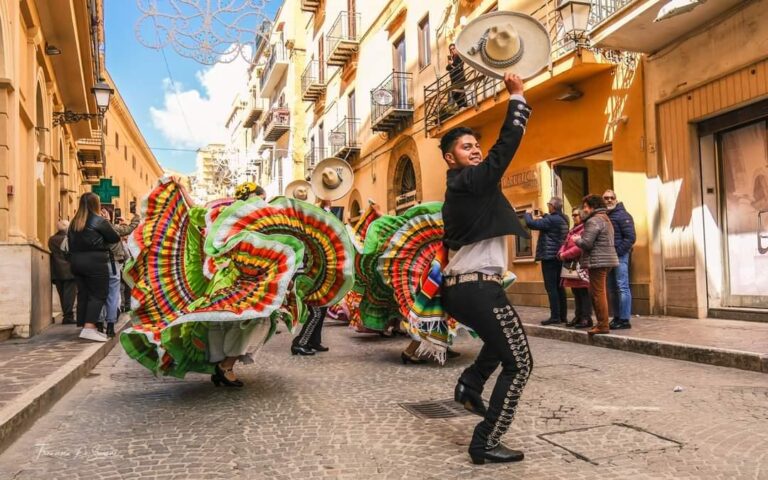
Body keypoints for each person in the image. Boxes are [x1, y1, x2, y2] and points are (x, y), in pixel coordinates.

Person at [441, 73, 532, 464]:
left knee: (500, 346)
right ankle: (486, 441)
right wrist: (517, 99)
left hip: (470, 288)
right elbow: (503, 151)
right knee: (521, 362)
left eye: (476, 145)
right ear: (451, 158)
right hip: (476, 288)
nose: (476, 151)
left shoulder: (469, 187)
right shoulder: (466, 182)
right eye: (466, 147)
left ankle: (470, 384)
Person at [67, 192, 120, 342]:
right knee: (98, 294)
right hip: (95, 262)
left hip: (76, 261)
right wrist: (107, 221)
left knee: (84, 294)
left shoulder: (74, 222)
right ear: (95, 204)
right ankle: (90, 328)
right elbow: (114, 238)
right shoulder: (98, 220)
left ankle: (86, 326)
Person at [573, 195, 619, 336]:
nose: (584, 210)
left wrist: (577, 240)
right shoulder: (605, 218)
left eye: (586, 206)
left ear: (592, 207)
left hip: (598, 261)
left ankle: (602, 325)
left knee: (597, 293)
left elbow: (587, 243)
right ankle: (602, 323)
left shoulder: (593, 221)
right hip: (606, 259)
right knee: (600, 292)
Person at [524, 198, 569, 325]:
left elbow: (531, 224)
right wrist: (544, 215)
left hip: (549, 257)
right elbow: (550, 223)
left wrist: (527, 214)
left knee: (551, 288)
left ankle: (555, 317)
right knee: (560, 287)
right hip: (559, 256)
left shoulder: (551, 220)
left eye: (549, 205)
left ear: (552, 206)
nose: (548, 206)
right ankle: (562, 316)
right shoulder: (564, 218)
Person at [102, 213, 140, 337]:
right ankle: (110, 326)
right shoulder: (110, 227)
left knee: (99, 294)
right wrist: (136, 216)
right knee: (113, 294)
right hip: (112, 263)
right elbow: (128, 229)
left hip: (96, 263)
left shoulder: (89, 226)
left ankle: (97, 324)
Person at [603, 190, 635, 330]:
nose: (609, 200)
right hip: (608, 257)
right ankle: (616, 317)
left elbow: (630, 238)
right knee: (612, 288)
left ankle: (624, 319)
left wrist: (618, 252)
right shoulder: (604, 216)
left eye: (612, 198)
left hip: (620, 256)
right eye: (606, 198)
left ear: (616, 199)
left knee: (622, 287)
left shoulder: (623, 215)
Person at [557, 208, 592, 328]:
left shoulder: (585, 229)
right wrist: (560, 253)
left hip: (581, 264)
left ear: (582, 216)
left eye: (576, 215)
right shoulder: (572, 231)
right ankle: (578, 316)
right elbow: (565, 244)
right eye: (572, 215)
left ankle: (586, 318)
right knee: (575, 292)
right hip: (571, 265)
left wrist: (565, 255)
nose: (573, 217)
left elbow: (580, 247)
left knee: (583, 292)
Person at [48, 220, 77, 325]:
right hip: (69, 271)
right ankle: (68, 317)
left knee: (62, 295)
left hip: (57, 271)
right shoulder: (69, 239)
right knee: (69, 296)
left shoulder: (51, 240)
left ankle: (67, 315)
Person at [446, 43, 468, 108]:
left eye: (453, 48)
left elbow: (459, 66)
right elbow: (447, 68)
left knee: (458, 92)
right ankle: (461, 106)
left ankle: (464, 106)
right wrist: (451, 64)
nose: (452, 50)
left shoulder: (459, 56)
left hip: (459, 78)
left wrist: (452, 64)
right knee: (455, 94)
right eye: (451, 50)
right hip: (454, 79)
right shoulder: (452, 58)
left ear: (456, 48)